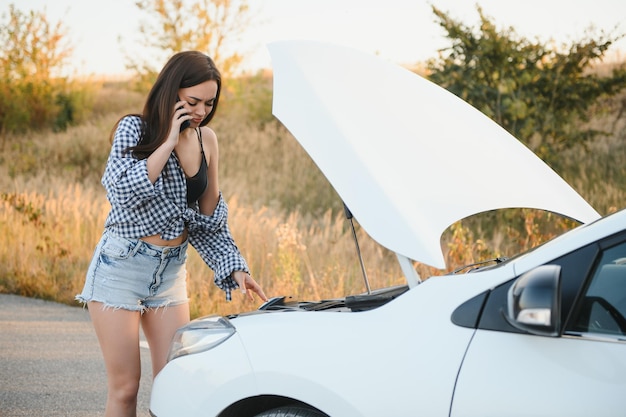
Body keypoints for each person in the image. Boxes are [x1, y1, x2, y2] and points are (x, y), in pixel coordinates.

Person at [76, 51, 268, 417]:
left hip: (170, 273)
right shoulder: (135, 129)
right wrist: (165, 142)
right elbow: (121, 194)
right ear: (171, 91)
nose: (200, 111)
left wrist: (235, 266)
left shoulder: (207, 140)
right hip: (121, 265)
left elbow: (210, 220)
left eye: (209, 103)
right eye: (192, 101)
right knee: (125, 387)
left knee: (174, 385)